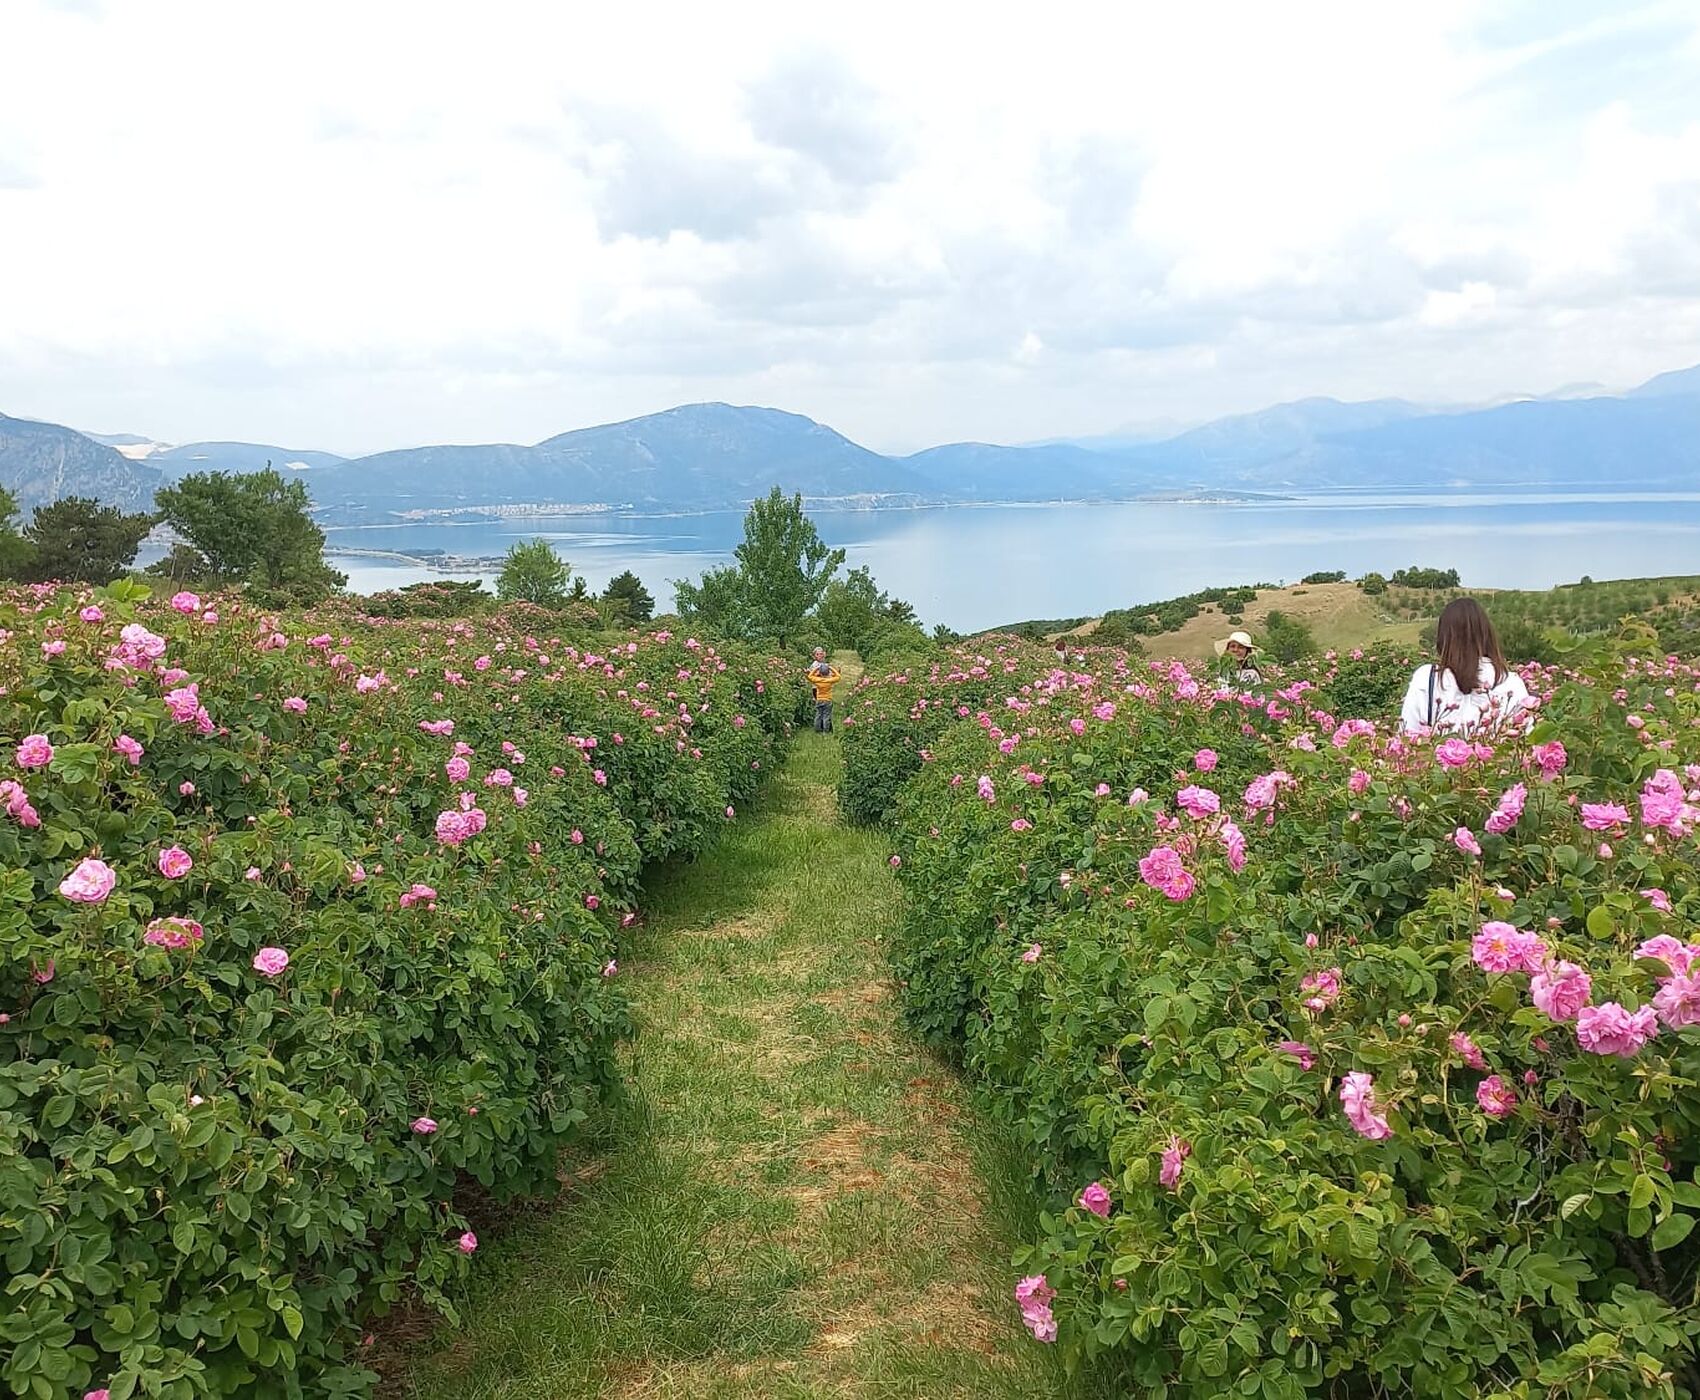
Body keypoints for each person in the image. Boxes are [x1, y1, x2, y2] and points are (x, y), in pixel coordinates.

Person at [1399, 597, 1531, 736]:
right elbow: (1525, 743)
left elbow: (1407, 736)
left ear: (1443, 638)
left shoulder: (1427, 677)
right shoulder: (1511, 682)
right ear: (1486, 634)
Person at [806, 648, 842, 733]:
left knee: (818, 714)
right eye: (818, 654)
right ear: (814, 656)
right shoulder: (828, 681)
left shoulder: (820, 667)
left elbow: (811, 677)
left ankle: (818, 729)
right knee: (826, 715)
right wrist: (833, 670)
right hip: (826, 697)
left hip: (819, 694)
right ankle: (826, 730)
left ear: (824, 654)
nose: (821, 655)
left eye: (821, 653)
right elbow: (836, 677)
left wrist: (812, 672)